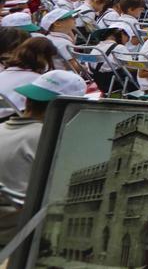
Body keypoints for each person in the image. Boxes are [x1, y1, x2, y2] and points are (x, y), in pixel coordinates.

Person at [0, 70, 87, 244]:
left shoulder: (2, 128)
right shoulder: (49, 140)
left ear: (27, 100)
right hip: (19, 238)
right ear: (69, 109)